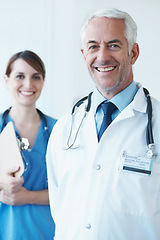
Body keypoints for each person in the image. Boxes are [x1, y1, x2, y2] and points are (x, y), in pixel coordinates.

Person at [46, 8, 160, 240]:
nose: (102, 56)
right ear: (83, 54)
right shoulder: (66, 128)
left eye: (114, 45)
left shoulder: (156, 123)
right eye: (93, 46)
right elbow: (60, 208)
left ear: (134, 53)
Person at [0, 50, 57, 240]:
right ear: (6, 79)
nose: (28, 84)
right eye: (20, 76)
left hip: (47, 233)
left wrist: (29, 197)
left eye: (36, 77)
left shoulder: (60, 130)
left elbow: (73, 190)